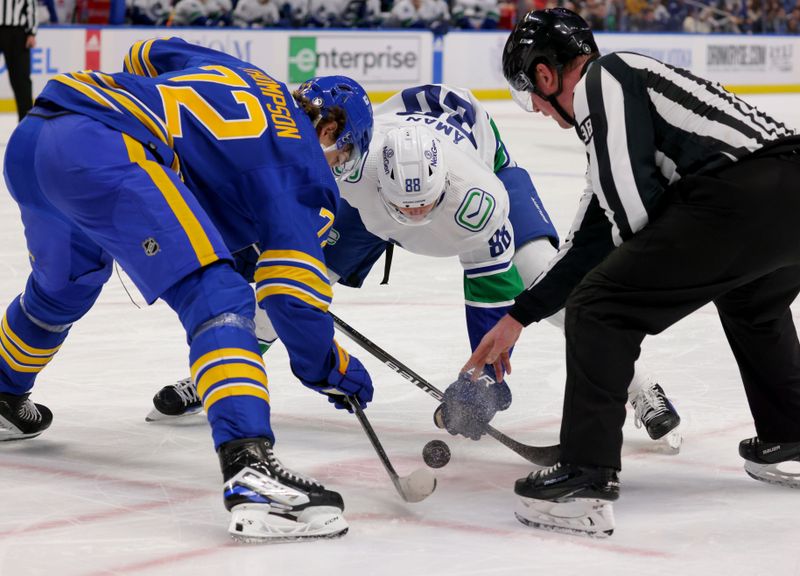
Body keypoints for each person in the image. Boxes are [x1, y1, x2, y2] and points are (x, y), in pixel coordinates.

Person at [149, 83, 681, 450]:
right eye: (406, 212)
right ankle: (217, 374)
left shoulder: (478, 198)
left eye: (422, 210)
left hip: (483, 165)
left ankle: (639, 386)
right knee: (292, 281)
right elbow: (283, 237)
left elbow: (491, 288)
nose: (414, 219)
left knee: (544, 274)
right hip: (375, 193)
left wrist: (482, 380)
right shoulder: (348, 162)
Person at [0, 37, 375, 542]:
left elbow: (145, 53)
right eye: (344, 149)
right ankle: (253, 472)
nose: (337, 163)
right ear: (328, 128)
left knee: (63, 289)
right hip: (109, 150)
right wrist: (332, 368)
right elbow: (289, 298)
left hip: (38, 136)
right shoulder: (304, 170)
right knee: (218, 295)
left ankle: (3, 395)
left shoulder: (245, 72)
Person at [463, 7, 800, 537]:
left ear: (548, 74)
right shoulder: (626, 106)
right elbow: (593, 236)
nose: (536, 109)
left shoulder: (606, 77)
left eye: (530, 91)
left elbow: (631, 214)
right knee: (752, 300)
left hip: (742, 197)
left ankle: (586, 478)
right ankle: (792, 435)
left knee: (599, 306)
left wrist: (620, 294)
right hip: (786, 198)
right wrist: (519, 317)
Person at [0, 0, 37, 121]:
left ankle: (26, 121)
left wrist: (31, 32)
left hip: (17, 33)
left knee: (20, 78)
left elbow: (31, 6)